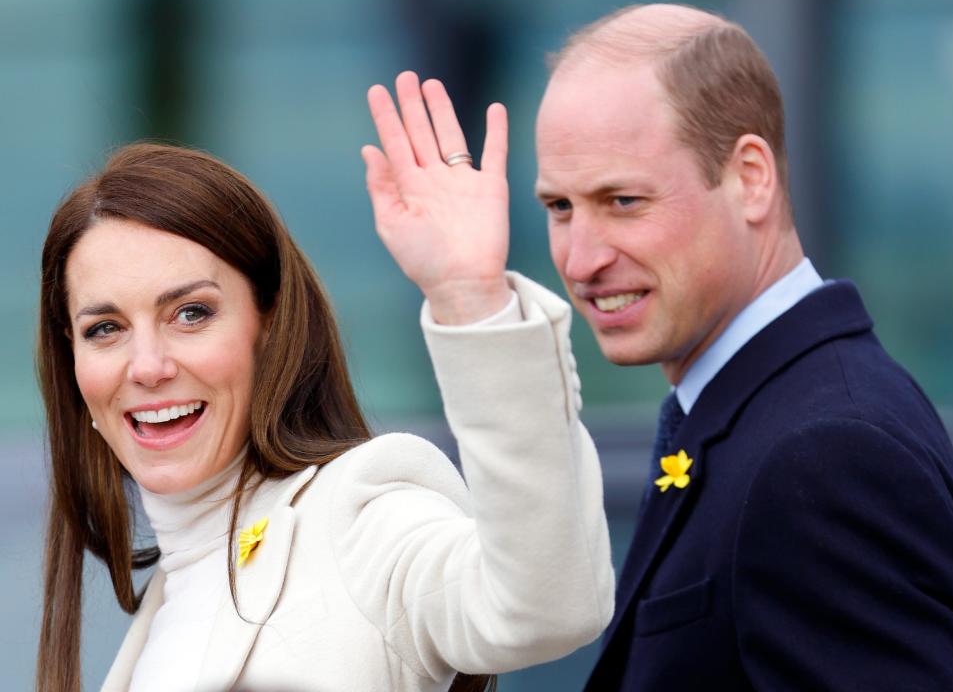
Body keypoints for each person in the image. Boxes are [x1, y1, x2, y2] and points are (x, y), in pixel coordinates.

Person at [363, 3, 953, 691]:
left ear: (751, 178)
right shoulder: (770, 413)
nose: (582, 260)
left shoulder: (825, 452)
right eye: (559, 207)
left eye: (622, 201)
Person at [36, 142, 614, 692]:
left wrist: (473, 302)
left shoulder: (360, 512)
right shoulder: (166, 604)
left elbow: (543, 607)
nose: (148, 366)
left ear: (270, 327)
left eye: (191, 313)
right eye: (105, 329)